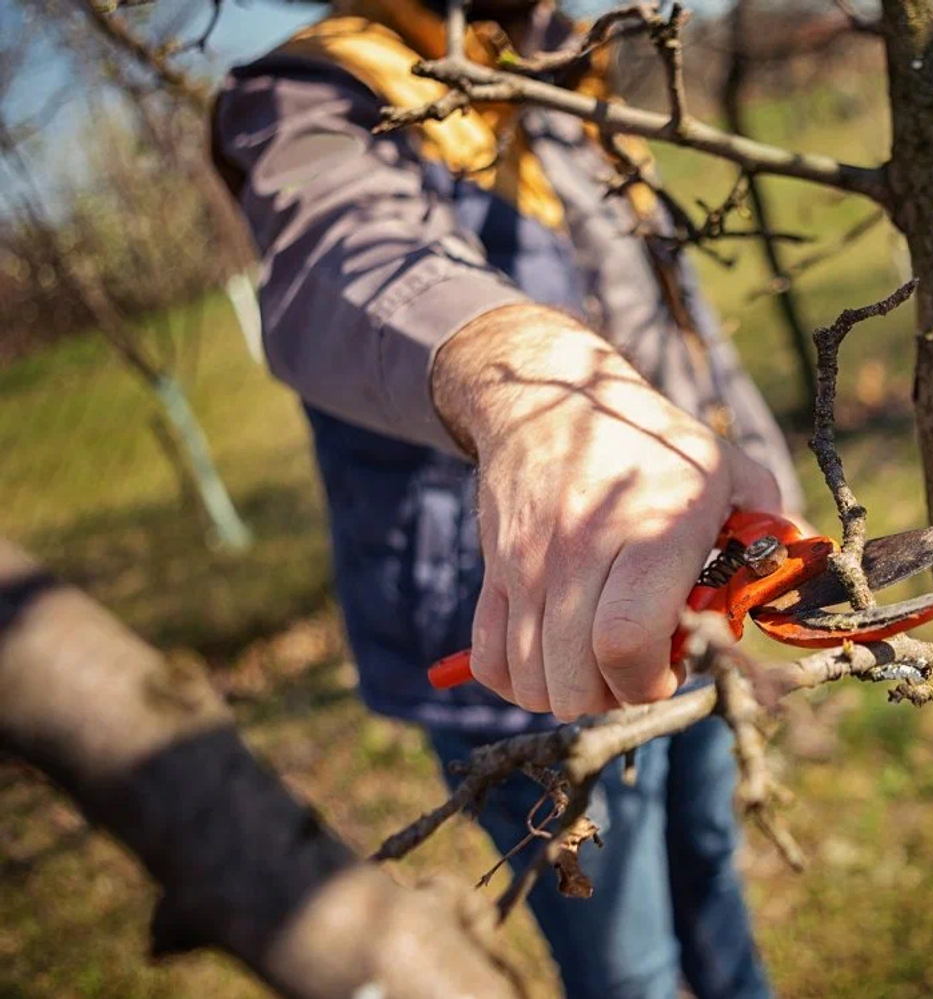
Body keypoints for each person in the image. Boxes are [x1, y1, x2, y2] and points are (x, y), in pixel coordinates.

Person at [210, 1, 804, 996]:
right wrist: (523, 376)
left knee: (711, 881)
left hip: (674, 591)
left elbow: (672, 318)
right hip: (516, 643)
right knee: (630, 969)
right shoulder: (313, 90)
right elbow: (341, 251)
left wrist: (764, 504)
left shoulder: (575, 66)